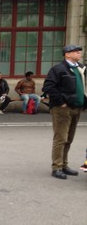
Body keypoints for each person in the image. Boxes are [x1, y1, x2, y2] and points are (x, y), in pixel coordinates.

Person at [42, 44, 86, 180]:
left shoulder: (80, 68)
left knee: (69, 138)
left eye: (79, 51)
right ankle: (57, 167)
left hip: (76, 107)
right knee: (60, 138)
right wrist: (61, 102)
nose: (79, 53)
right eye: (75, 51)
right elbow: (48, 87)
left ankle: (64, 165)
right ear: (67, 54)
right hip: (62, 108)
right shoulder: (58, 69)